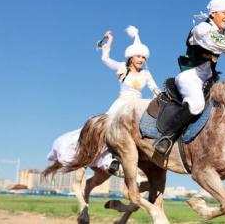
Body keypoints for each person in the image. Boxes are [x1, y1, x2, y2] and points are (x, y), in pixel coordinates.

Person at [47, 26, 160, 175]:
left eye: (143, 57)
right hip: (121, 104)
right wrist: (110, 41)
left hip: (137, 105)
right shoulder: (122, 68)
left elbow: (154, 88)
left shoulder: (146, 74)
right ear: (131, 57)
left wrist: (162, 96)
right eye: (138, 56)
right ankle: (112, 159)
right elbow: (105, 59)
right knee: (107, 130)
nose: (141, 59)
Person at [154, 0, 225, 154]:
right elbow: (215, 42)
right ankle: (166, 137)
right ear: (213, 13)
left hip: (208, 80)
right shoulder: (202, 29)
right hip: (190, 76)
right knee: (197, 103)